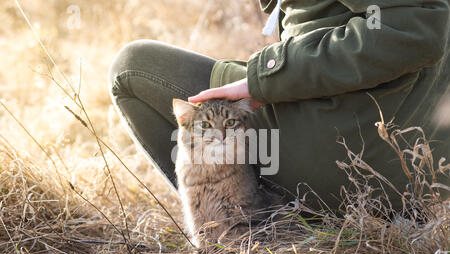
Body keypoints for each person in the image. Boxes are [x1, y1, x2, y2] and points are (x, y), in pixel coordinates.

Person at [108, 0, 450, 209]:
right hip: (423, 162)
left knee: (132, 67)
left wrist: (264, 78)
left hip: (347, 151)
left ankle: (231, 219)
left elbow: (410, 30)